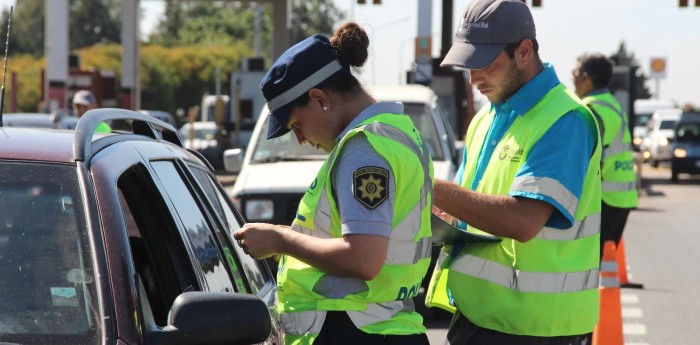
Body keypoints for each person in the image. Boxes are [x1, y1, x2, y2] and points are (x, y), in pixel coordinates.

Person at [233, 22, 433, 345]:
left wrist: (280, 239)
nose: (300, 139)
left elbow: (363, 258)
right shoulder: (398, 132)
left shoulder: (364, 149)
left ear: (319, 99)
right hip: (381, 326)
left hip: (356, 332)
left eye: (296, 125)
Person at [424, 0, 602, 343]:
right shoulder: (485, 119)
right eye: (468, 66)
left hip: (538, 328)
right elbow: (465, 207)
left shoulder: (565, 120)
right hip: (479, 316)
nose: (474, 78)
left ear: (524, 51)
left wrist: (427, 185)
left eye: (485, 64)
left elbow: (523, 221)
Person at [572, 52, 639, 259]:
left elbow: (588, 162)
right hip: (623, 196)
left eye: (573, 72)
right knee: (600, 262)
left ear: (585, 77)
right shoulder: (612, 104)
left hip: (603, 199)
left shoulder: (591, 109)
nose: (571, 78)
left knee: (586, 263)